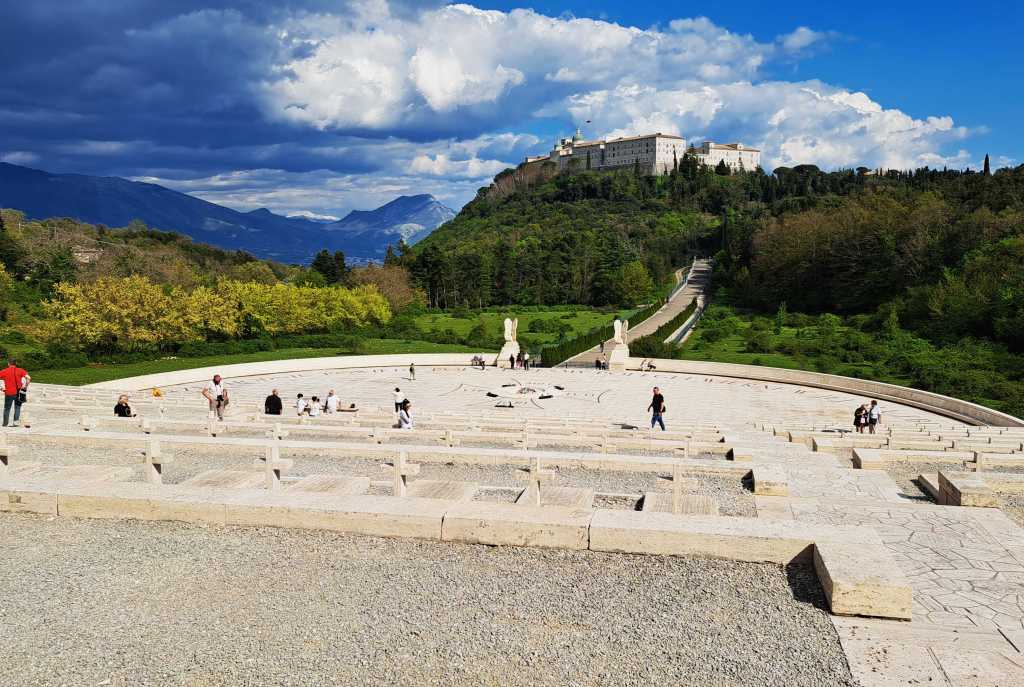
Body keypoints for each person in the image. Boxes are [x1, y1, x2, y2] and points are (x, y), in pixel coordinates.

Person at [0, 358, 29, 427]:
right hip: (19, 393)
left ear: (8, 363)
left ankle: (5, 424)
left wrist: (1, 388)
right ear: (15, 363)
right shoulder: (21, 370)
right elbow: (29, 378)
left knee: (7, 408)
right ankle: (15, 423)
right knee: (17, 408)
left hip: (8, 393)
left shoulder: (4, 371)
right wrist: (25, 386)